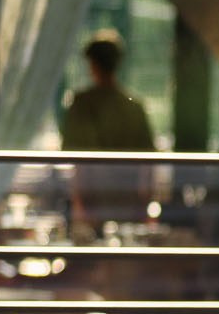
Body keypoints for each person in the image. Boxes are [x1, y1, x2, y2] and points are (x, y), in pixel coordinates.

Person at [60, 32, 156, 237]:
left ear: (92, 64)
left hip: (91, 202)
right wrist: (144, 205)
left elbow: (77, 162)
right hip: (128, 205)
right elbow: (148, 165)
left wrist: (80, 206)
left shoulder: (82, 104)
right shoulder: (134, 108)